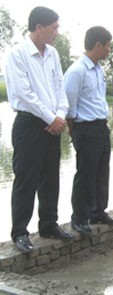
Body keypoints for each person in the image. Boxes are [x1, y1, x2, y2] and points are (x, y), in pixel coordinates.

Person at [4, 6, 72, 253]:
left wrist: (60, 115)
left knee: (50, 177)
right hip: (29, 124)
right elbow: (24, 93)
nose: (57, 32)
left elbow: (59, 88)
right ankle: (20, 233)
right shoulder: (17, 54)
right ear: (39, 27)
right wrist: (50, 117)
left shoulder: (52, 54)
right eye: (54, 28)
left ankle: (48, 224)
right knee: (26, 179)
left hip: (53, 123)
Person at [64, 26, 113, 237]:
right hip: (85, 128)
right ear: (98, 45)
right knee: (85, 175)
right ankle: (79, 218)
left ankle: (98, 211)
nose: (109, 50)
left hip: (100, 127)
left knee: (101, 172)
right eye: (108, 46)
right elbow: (69, 107)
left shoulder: (97, 69)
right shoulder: (77, 71)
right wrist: (74, 133)